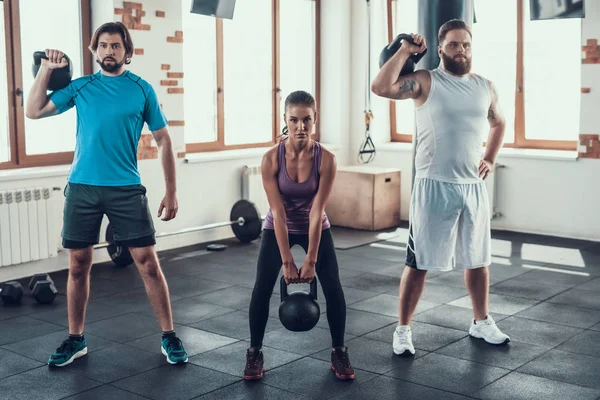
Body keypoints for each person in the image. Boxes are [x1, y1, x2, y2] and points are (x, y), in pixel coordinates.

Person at [26, 22, 188, 367]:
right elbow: (33, 111)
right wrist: (45, 70)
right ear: (93, 50)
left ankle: (169, 336)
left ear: (126, 52)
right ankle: (75, 339)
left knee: (147, 262)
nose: (109, 51)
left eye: (116, 46)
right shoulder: (81, 87)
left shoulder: (141, 90)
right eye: (103, 45)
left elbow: (163, 141)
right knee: (78, 264)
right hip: (83, 187)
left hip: (126, 188)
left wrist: (171, 191)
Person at [371, 19, 511, 356]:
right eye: (453, 45)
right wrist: (405, 49)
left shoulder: (485, 86)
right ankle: (402, 329)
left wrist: (490, 158)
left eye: (466, 44)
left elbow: (499, 122)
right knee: (418, 263)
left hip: (471, 186)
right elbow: (380, 87)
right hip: (433, 186)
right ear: (440, 48)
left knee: (478, 261)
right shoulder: (424, 82)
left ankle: (481, 321)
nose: (461, 50)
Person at [243, 90, 355, 381]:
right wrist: (287, 262)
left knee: (333, 288)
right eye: (294, 120)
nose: (300, 127)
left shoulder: (326, 159)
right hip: (277, 225)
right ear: (285, 120)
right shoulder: (270, 159)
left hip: (315, 226)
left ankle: (339, 351)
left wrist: (311, 261)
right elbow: (278, 213)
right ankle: (254, 352)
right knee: (262, 289)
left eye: (307, 120)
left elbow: (317, 211)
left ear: (315, 119)